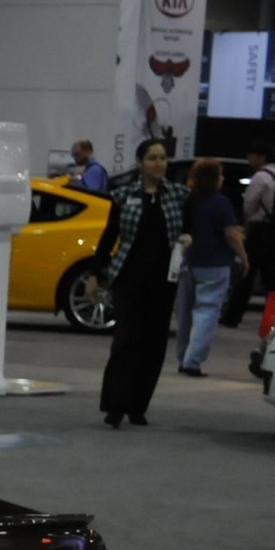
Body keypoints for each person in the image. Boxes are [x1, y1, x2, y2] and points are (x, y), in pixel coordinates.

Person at [95, 137, 185, 428]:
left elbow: (192, 227)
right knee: (125, 341)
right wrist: (97, 273)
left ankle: (138, 406)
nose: (159, 164)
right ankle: (115, 405)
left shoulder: (179, 195)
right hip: (129, 279)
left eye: (163, 158)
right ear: (140, 162)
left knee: (154, 344)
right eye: (152, 158)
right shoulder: (123, 195)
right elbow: (110, 235)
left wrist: (190, 237)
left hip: (164, 282)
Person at [174, 158, 247, 376]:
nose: (223, 178)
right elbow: (231, 235)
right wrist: (244, 257)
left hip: (188, 261)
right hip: (215, 264)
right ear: (215, 179)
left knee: (185, 314)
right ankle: (193, 361)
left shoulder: (188, 200)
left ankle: (183, 357)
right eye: (220, 175)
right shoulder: (221, 203)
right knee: (206, 313)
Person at [225, 144, 273, 327]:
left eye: (251, 155)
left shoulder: (260, 177)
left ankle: (232, 316)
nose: (249, 160)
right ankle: (273, 316)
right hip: (274, 231)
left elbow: (249, 204)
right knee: (271, 278)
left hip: (259, 230)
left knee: (246, 273)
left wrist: (246, 223)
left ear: (261, 157)